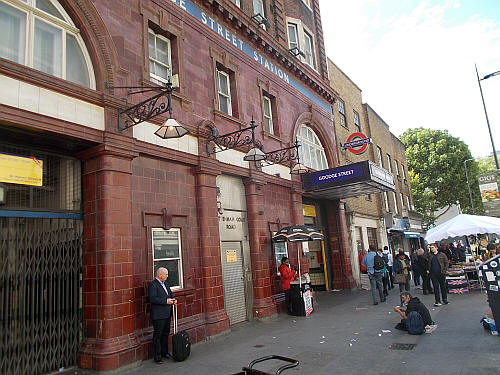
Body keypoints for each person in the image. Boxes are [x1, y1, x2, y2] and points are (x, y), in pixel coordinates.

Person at [148, 267, 177, 364]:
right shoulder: (153, 285)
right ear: (160, 275)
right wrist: (165, 301)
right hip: (158, 314)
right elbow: (152, 299)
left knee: (165, 334)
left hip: (167, 313)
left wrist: (173, 299)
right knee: (158, 335)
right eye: (166, 274)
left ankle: (165, 352)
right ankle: (157, 356)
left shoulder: (166, 284)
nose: (167, 276)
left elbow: (170, 294)